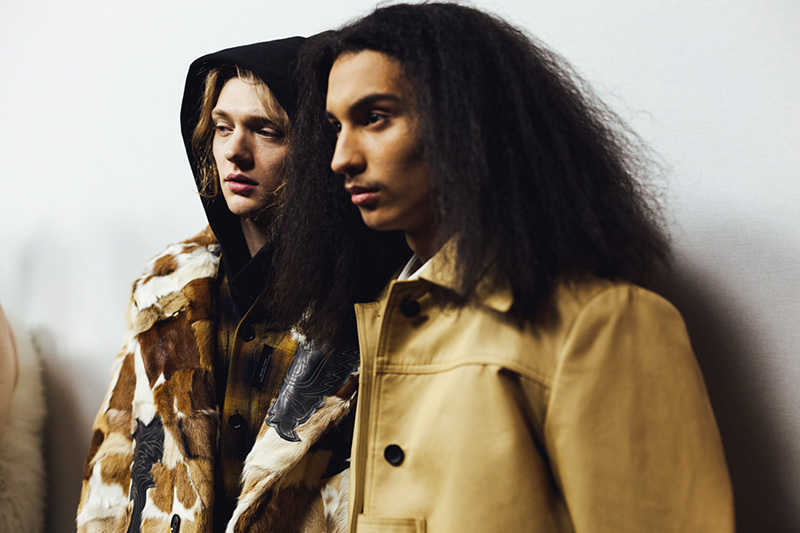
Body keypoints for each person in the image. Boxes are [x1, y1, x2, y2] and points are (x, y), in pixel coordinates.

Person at [270, 4, 735, 532]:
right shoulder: (377, 320)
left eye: (375, 117)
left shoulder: (599, 324)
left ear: (468, 120)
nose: (340, 158)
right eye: (335, 127)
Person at [77, 37, 404, 532]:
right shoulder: (166, 291)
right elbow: (113, 468)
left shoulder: (377, 301)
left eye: (267, 131)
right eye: (222, 127)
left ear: (318, 148)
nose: (234, 151)